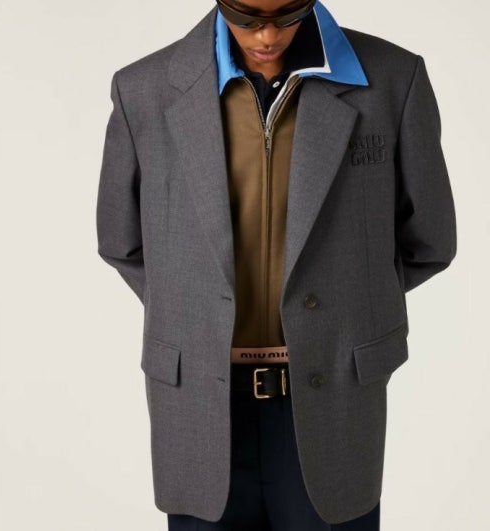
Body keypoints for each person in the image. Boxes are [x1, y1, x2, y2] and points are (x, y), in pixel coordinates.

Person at [95, 0, 457, 529]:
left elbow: (431, 239)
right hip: (199, 403)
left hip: (334, 395)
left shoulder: (393, 81)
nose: (267, 35)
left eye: (287, 14)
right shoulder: (143, 91)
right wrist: (198, 310)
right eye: (246, 16)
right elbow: (121, 240)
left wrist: (346, 304)